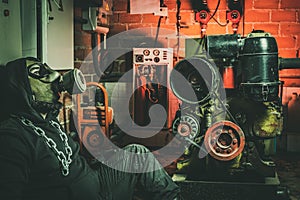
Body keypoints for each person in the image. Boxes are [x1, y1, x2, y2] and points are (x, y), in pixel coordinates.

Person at [0, 57, 181, 200]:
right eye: (39, 72)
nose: (54, 75)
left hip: (97, 185)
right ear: (20, 87)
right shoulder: (12, 137)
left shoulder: (49, 121)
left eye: (48, 68)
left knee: (137, 153)